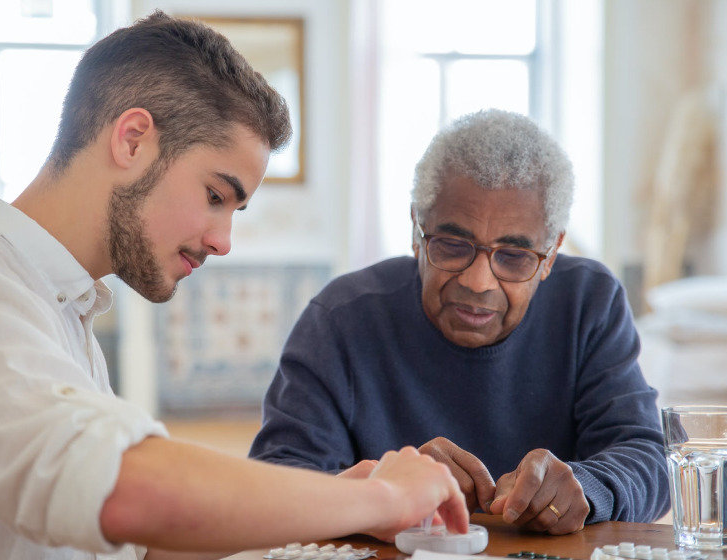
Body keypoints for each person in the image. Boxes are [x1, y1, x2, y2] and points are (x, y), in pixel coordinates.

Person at [0, 12, 469, 559]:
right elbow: (129, 491)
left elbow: (131, 537)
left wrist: (329, 505)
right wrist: (378, 497)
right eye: (216, 195)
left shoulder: (53, 308)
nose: (223, 240)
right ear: (132, 139)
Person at [249, 109, 670, 535]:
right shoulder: (341, 319)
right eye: (452, 245)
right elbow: (275, 485)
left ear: (552, 253)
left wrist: (588, 484)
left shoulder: (589, 303)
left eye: (515, 256)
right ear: (416, 230)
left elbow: (648, 458)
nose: (478, 281)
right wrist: (384, 490)